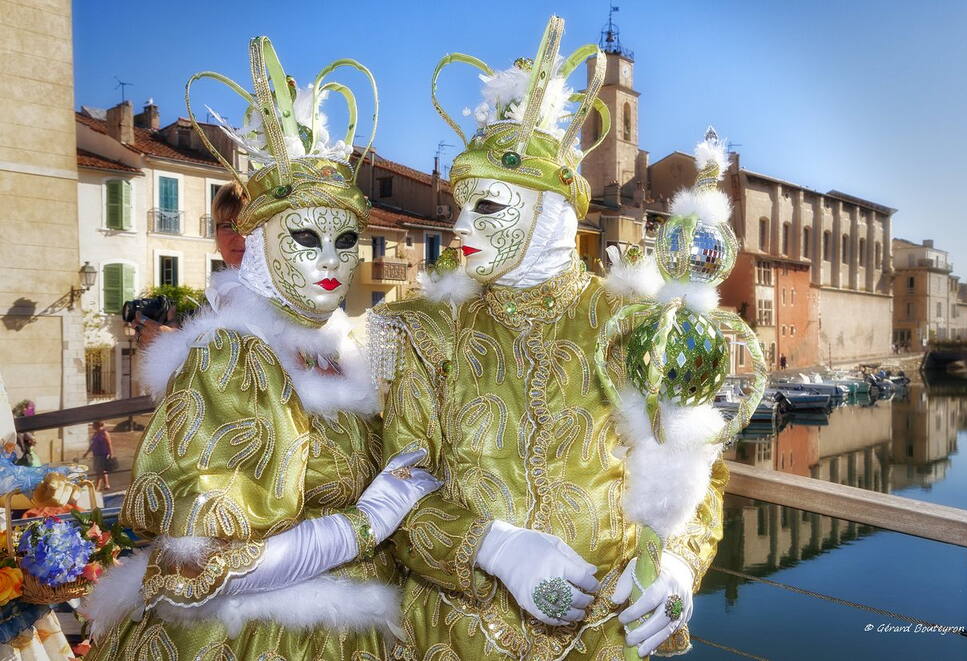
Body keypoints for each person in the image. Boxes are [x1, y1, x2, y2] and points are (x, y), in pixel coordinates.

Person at [370, 17, 727, 659]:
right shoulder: (424, 331)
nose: (457, 228)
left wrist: (675, 565)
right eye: (458, 206)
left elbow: (695, 472)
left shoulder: (637, 325)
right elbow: (400, 498)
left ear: (550, 210)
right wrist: (491, 546)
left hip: (604, 640)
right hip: (456, 639)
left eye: (488, 208)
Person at [83, 37, 440, 659]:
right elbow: (194, 571)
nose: (332, 260)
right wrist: (369, 522)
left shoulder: (337, 353)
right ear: (263, 241)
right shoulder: (231, 357)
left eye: (347, 238)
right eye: (306, 238)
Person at [133, 182, 248, 346]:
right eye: (228, 226)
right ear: (216, 234)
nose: (240, 237)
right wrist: (177, 332)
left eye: (250, 227)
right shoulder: (215, 298)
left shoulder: (281, 295)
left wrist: (172, 343)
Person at [82, 420, 113, 490]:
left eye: (93, 424)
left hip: (103, 454)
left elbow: (109, 444)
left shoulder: (104, 433)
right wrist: (87, 453)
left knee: (100, 470)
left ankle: (99, 486)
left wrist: (111, 454)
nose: (92, 426)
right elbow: (92, 445)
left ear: (97, 425)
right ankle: (106, 484)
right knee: (100, 470)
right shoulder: (95, 434)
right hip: (96, 454)